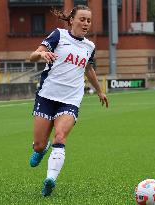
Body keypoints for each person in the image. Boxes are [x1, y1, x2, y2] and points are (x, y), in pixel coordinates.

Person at [29, 5, 108, 197]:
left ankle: (50, 179)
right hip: (47, 96)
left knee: (60, 136)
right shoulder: (58, 35)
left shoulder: (90, 46)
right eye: (82, 19)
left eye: (89, 20)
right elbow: (32, 56)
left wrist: (100, 91)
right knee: (39, 144)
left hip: (70, 99)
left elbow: (88, 70)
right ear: (72, 20)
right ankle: (42, 149)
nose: (86, 23)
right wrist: (42, 54)